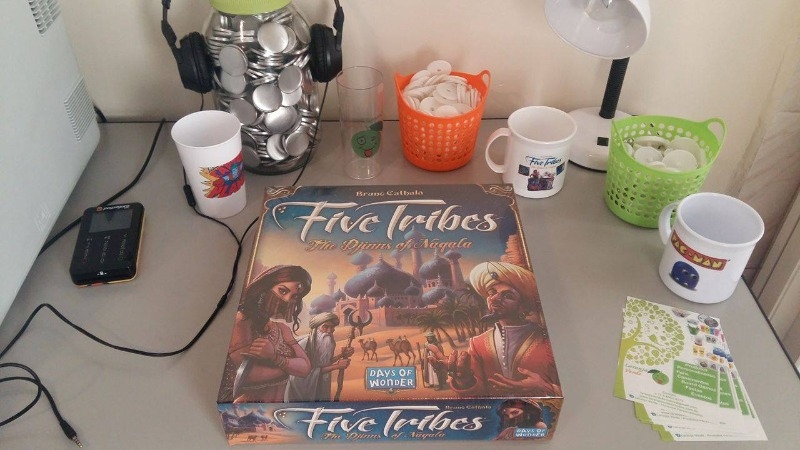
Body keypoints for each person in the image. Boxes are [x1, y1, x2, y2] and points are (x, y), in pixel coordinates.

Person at [428, 261, 561, 397]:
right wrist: (464, 379)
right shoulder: (478, 343)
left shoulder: (546, 339)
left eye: (508, 296)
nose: (494, 299)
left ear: (524, 306)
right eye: (492, 292)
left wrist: (544, 387)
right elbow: (479, 394)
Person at [226, 265, 313, 403]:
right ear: (265, 287)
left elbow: (306, 367)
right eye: (282, 290)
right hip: (251, 405)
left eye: (295, 296)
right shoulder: (241, 321)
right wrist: (290, 368)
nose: (287, 299)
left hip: (280, 403)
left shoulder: (282, 329)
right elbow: (248, 374)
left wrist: (274, 357)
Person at [285, 312, 355, 401]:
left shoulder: (328, 342)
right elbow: (303, 372)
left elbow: (324, 363)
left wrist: (341, 355)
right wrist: (337, 366)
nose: (329, 331)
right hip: (300, 391)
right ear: (316, 328)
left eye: (332, 327)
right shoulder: (304, 344)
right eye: (325, 327)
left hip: (319, 385)